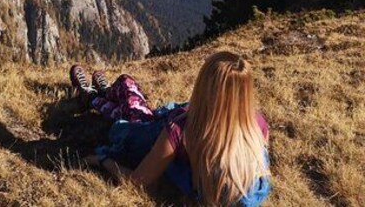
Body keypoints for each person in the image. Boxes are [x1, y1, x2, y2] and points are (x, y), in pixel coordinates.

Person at [70, 51, 271, 206]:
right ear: (245, 93)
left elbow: (138, 181)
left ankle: (93, 96)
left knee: (126, 96)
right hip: (185, 125)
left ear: (203, 87)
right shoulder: (258, 125)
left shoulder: (180, 130)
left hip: (146, 133)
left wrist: (104, 162)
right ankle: (102, 94)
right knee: (134, 107)